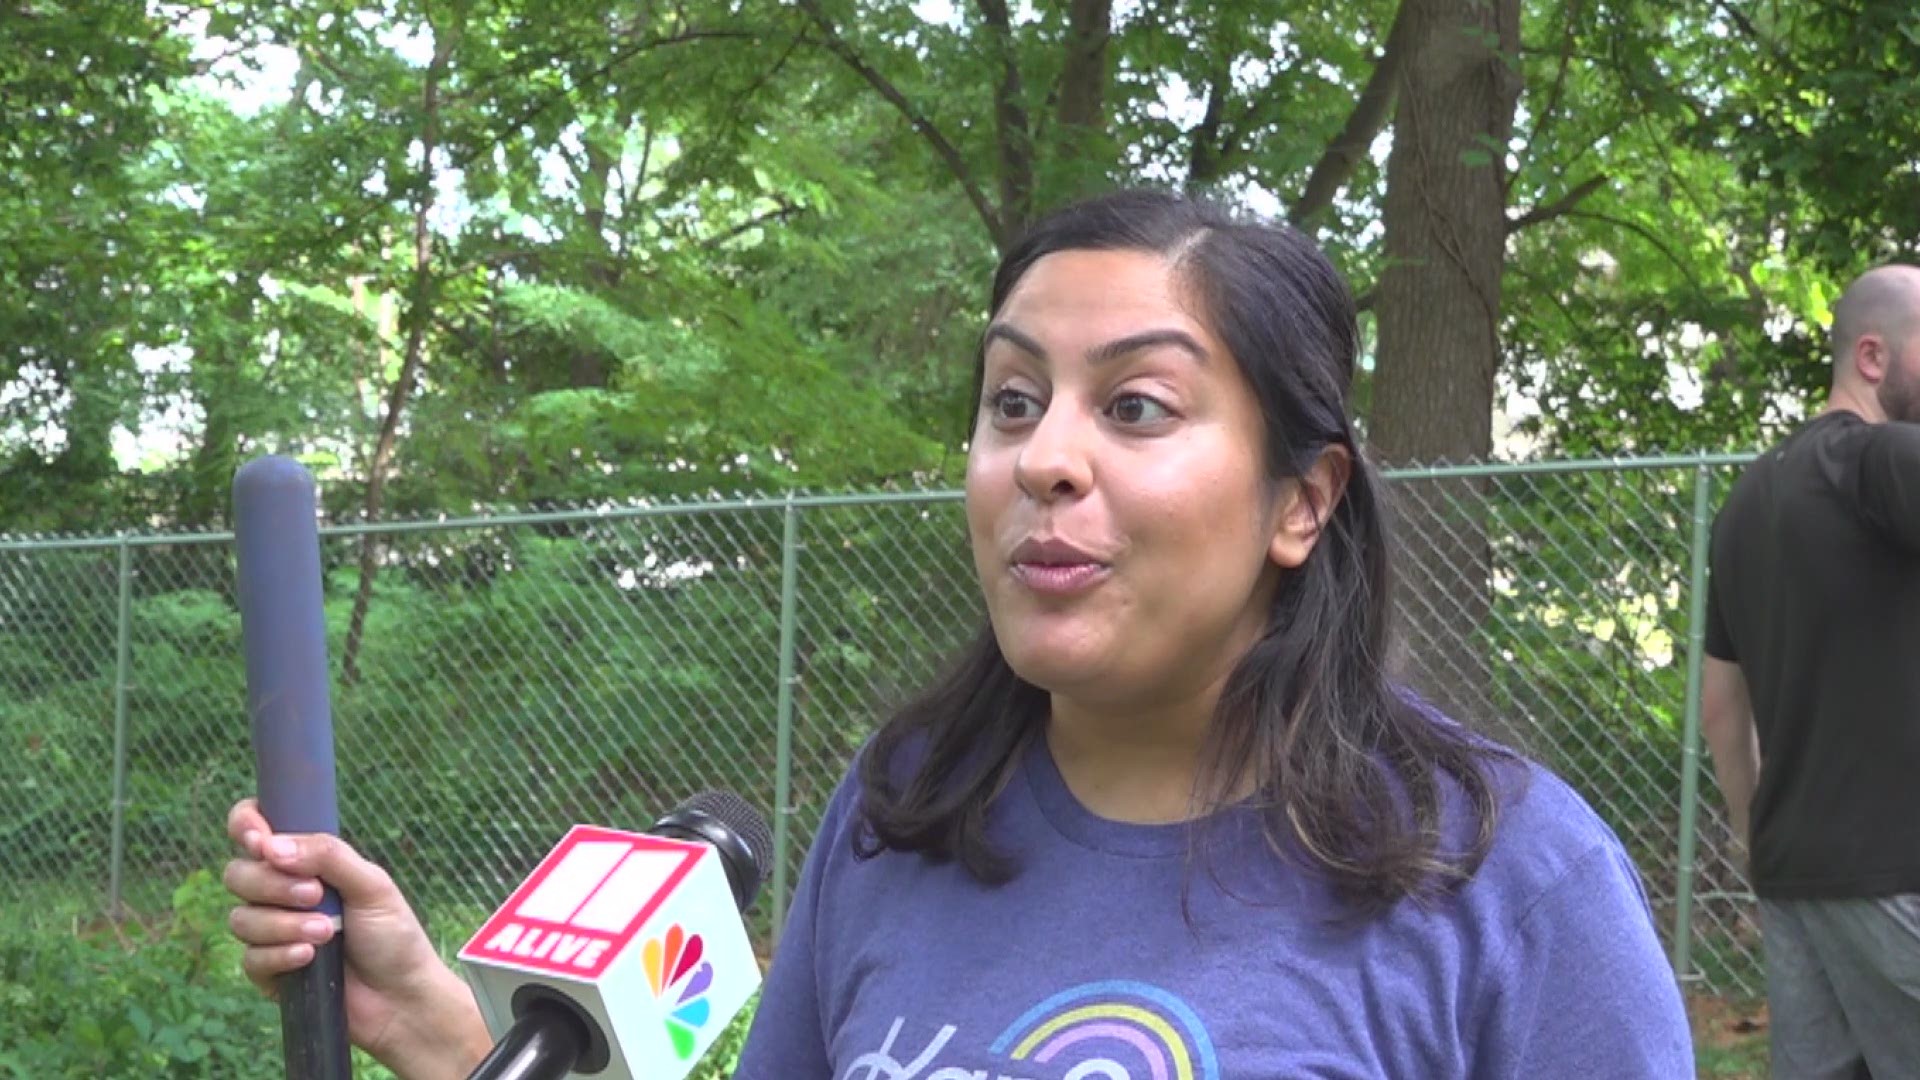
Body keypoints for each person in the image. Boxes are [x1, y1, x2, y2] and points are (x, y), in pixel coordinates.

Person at [224, 189, 1692, 1078]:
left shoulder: (1507, 877)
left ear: (1302, 500)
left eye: (1136, 406)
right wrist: (454, 1044)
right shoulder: (899, 814)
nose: (1044, 458)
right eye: (1010, 400)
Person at [1700, 263, 1920, 1079]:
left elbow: (1721, 707)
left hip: (1796, 879)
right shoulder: (1882, 462)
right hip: (1896, 874)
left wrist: (1757, 837)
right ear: (1873, 356)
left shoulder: (1745, 504)